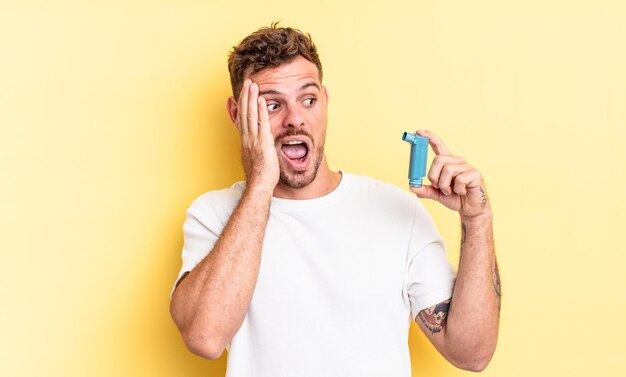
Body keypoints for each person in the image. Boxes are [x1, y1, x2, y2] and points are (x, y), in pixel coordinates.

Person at [169, 24, 500, 377]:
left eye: (308, 100)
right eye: (272, 105)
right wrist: (261, 185)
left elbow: (472, 353)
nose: (295, 119)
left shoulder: (397, 212)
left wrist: (477, 221)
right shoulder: (214, 215)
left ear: (325, 102)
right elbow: (204, 338)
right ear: (238, 115)